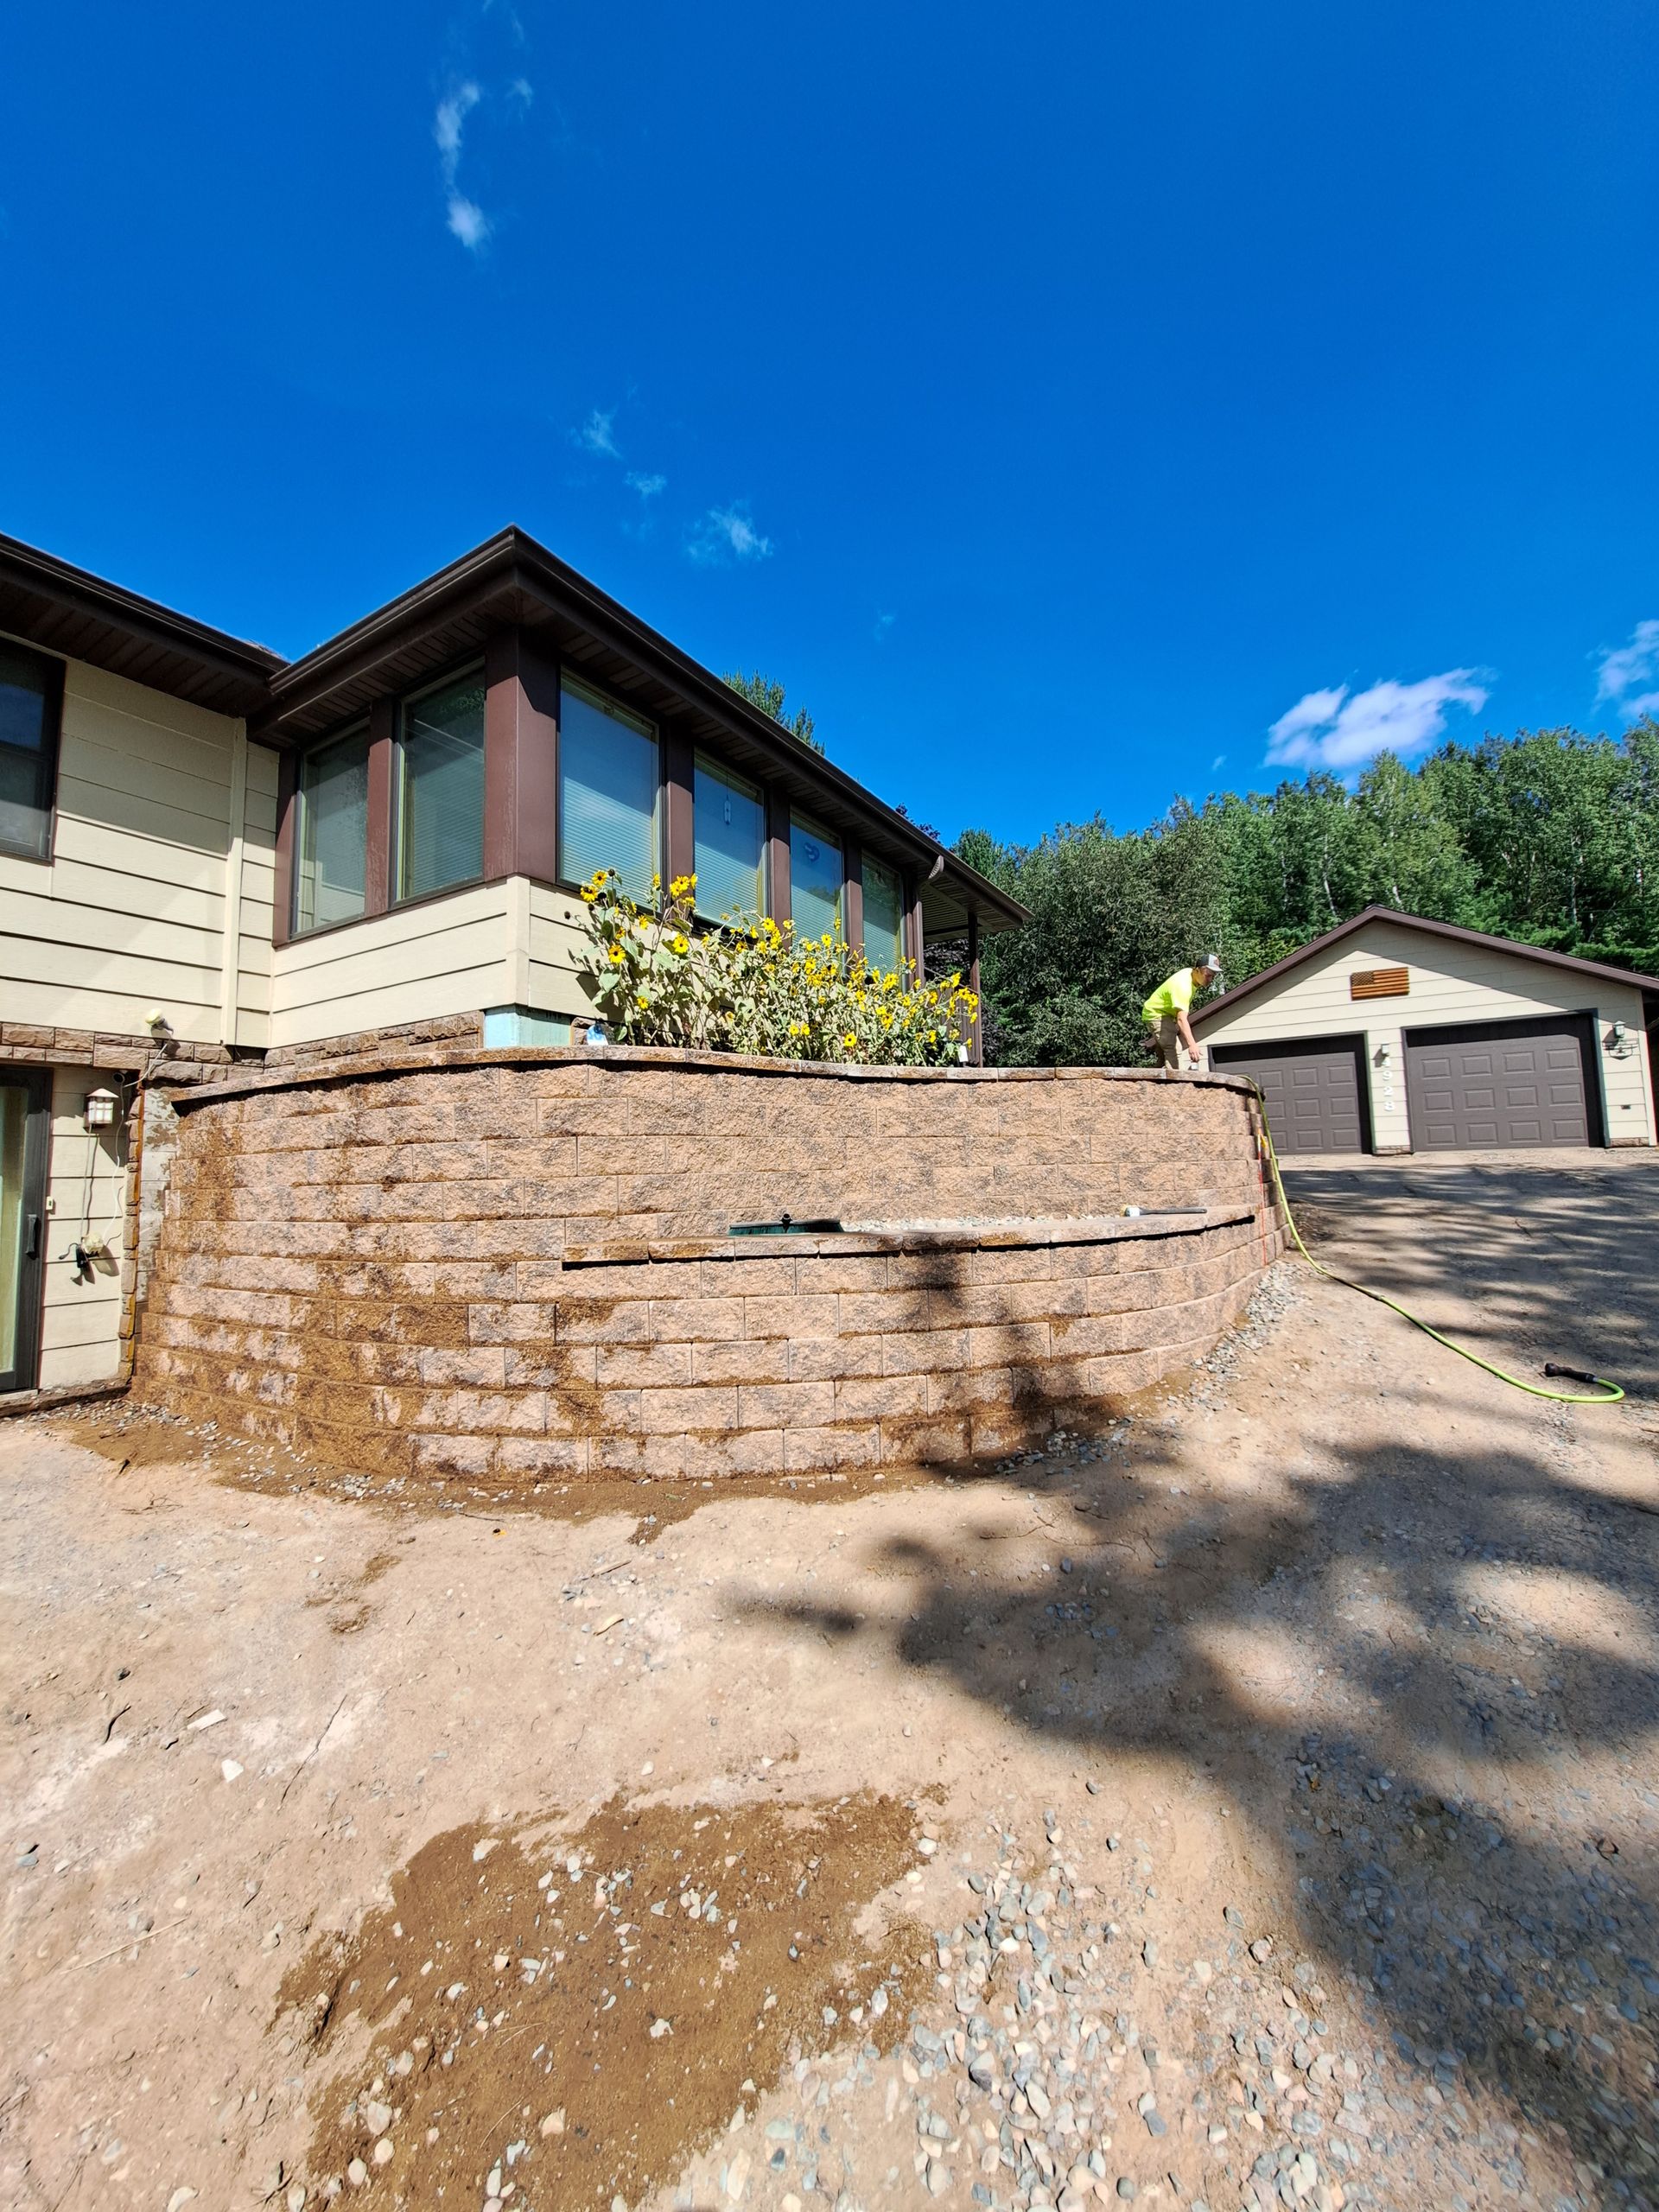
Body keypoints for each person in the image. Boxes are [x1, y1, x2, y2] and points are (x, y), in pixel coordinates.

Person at [1142, 954, 1223, 1072]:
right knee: (1174, 1048)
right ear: (1197, 970)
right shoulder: (1183, 986)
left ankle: (1151, 1082)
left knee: (1164, 1056)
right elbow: (1181, 1019)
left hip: (1167, 1014)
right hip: (1156, 1013)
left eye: (1213, 976)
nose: (1210, 980)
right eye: (1208, 975)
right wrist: (1192, 1045)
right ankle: (1177, 1084)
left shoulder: (1190, 975)